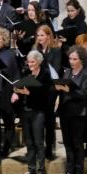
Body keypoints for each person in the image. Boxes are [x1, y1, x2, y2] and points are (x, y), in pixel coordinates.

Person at [55, 46, 87, 174]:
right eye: (70, 58)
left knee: (77, 143)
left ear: (81, 60)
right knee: (67, 142)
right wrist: (58, 87)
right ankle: (69, 169)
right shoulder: (67, 72)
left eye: (74, 59)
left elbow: (84, 94)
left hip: (78, 114)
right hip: (65, 112)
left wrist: (68, 90)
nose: (71, 61)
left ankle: (79, 170)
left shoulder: (86, 74)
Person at [14, 50, 51, 174]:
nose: (30, 64)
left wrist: (29, 93)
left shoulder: (45, 75)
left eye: (32, 62)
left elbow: (45, 95)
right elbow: (21, 86)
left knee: (38, 141)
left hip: (38, 111)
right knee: (29, 141)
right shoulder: (25, 72)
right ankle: (31, 168)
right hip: (26, 110)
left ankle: (41, 170)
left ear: (39, 62)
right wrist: (16, 92)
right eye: (28, 61)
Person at [0, 27, 21, 158]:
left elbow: (16, 75)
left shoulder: (11, 54)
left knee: (8, 121)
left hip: (7, 91)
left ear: (4, 40)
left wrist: (16, 92)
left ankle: (6, 148)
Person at [33, 25, 62, 160]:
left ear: (49, 36)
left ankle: (49, 148)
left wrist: (42, 61)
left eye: (42, 35)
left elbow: (55, 70)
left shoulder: (56, 51)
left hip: (50, 89)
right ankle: (38, 147)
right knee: (38, 119)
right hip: (37, 89)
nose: (39, 38)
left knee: (49, 120)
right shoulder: (34, 50)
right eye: (38, 35)